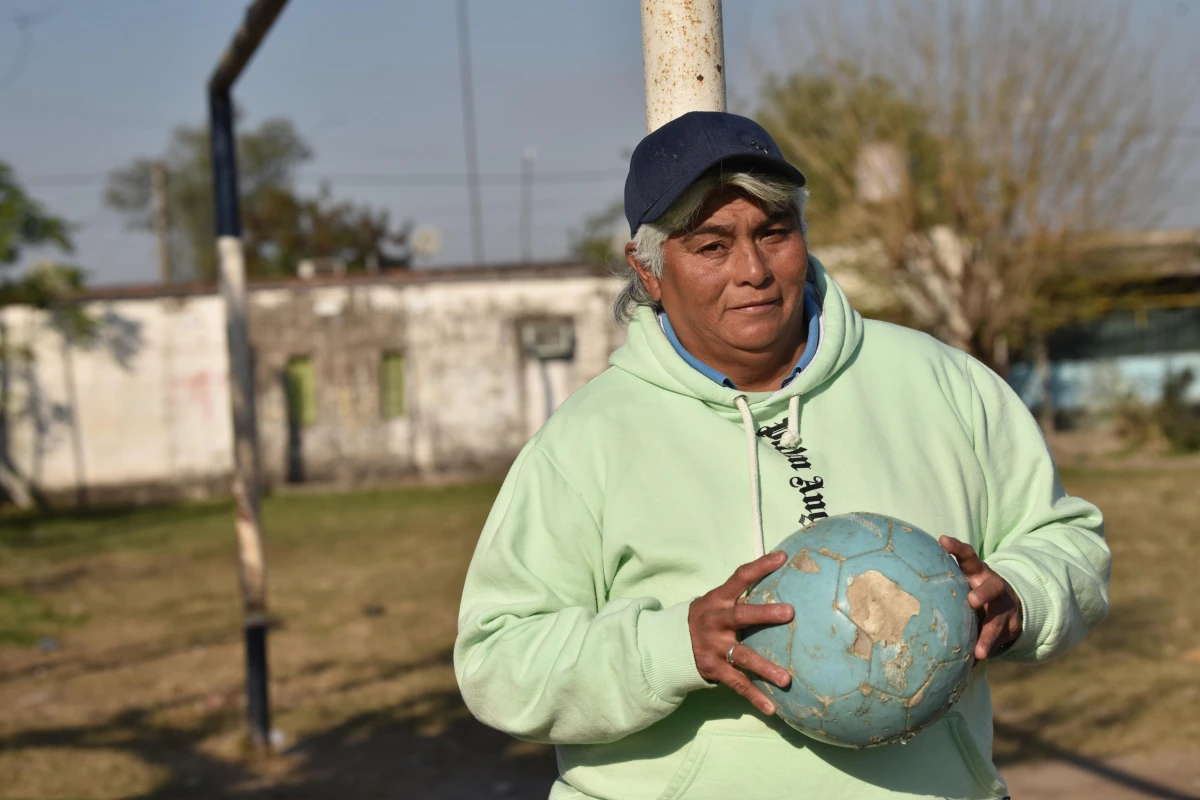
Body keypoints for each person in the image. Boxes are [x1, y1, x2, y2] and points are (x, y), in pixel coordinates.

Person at [454, 111, 1110, 800]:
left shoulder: (943, 383)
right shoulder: (588, 440)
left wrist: (1023, 598)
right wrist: (674, 646)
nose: (754, 270)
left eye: (775, 232)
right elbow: (499, 661)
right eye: (712, 246)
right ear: (648, 271)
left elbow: (1067, 540)